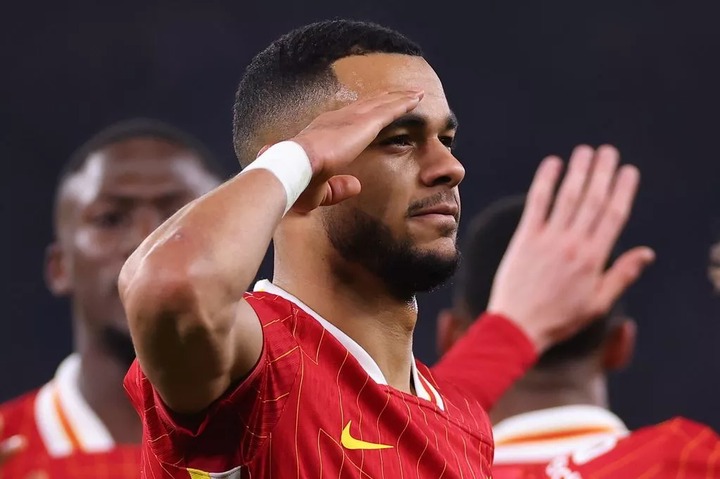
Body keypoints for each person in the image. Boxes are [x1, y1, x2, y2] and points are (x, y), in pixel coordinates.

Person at [121, 19, 653, 478]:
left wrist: (514, 329)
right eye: (398, 138)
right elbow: (171, 285)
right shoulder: (254, 367)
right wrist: (296, 158)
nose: (450, 167)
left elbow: (382, 409)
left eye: (447, 139)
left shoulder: (459, 420)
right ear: (306, 173)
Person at [0, 118, 223, 478]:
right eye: (110, 219)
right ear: (60, 267)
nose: (145, 241)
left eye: (179, 215)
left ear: (236, 250)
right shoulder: (7, 449)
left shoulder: (308, 440)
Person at [438, 195, 720, 477]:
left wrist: (504, 335)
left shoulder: (409, 465)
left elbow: (401, 425)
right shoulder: (691, 461)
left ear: (450, 338)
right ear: (621, 343)